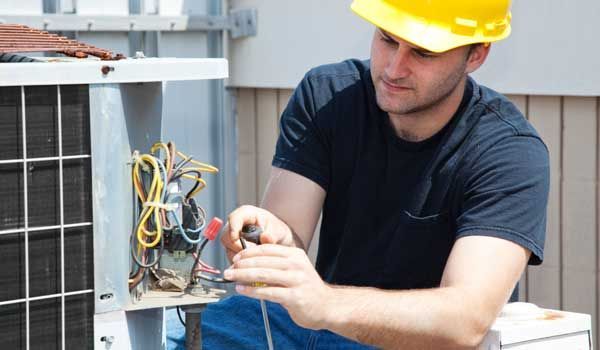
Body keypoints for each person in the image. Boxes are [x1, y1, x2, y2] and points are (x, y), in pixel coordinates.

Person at [168, 0, 550, 348]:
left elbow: (465, 320)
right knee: (161, 333)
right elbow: (289, 235)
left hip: (416, 343)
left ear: (476, 55)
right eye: (387, 39)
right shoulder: (327, 96)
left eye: (423, 52)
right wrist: (271, 233)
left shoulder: (510, 152)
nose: (394, 68)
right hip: (311, 328)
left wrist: (324, 302)